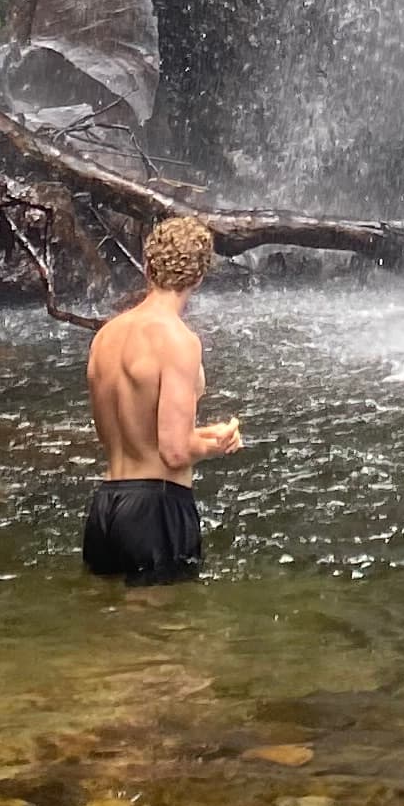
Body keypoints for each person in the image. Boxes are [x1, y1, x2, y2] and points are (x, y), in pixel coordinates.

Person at [83, 212, 242, 583]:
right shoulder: (178, 340)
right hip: (155, 510)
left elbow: (129, 434)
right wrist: (216, 447)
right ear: (199, 277)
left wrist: (205, 434)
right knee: (163, 636)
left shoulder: (106, 336)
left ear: (148, 267)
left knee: (107, 636)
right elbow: (172, 453)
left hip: (106, 507)